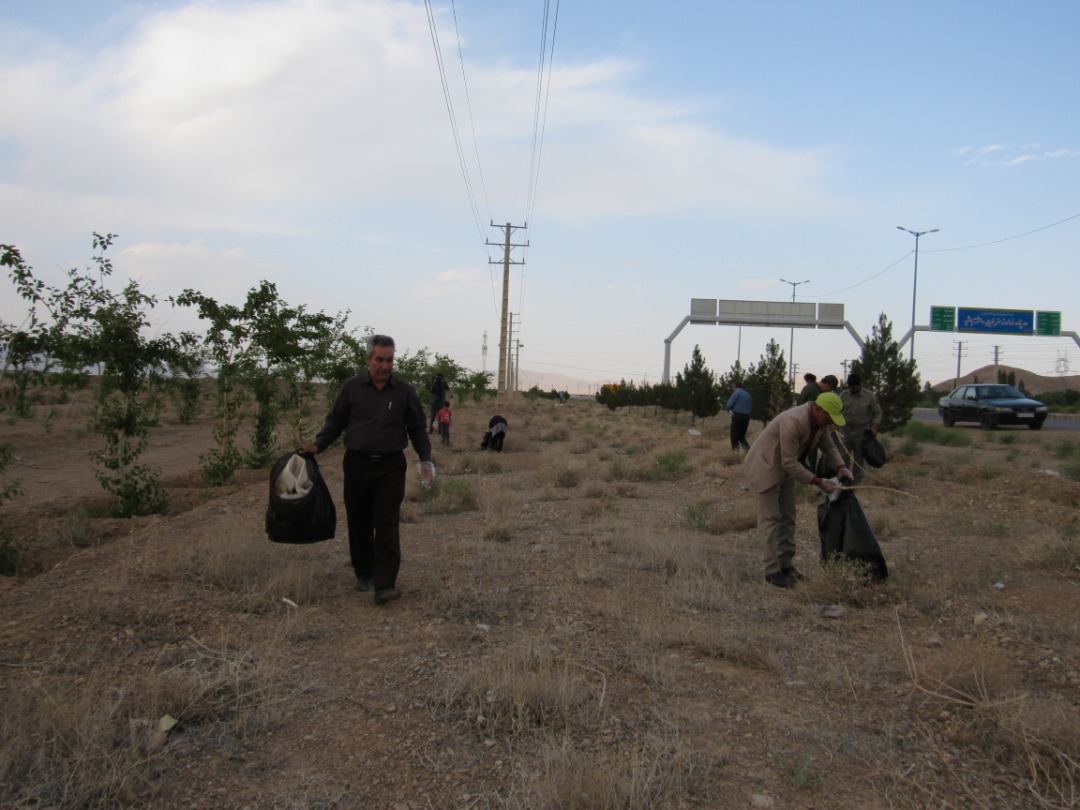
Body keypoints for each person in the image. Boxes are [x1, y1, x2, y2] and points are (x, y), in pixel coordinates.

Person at [300, 335, 434, 605]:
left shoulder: (404, 391)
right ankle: (364, 572)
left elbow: (417, 428)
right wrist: (317, 445)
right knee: (359, 520)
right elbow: (335, 423)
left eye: (390, 360)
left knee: (386, 522)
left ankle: (385, 585)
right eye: (379, 360)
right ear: (368, 360)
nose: (385, 365)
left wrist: (426, 460)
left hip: (391, 466)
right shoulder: (351, 388)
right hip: (357, 464)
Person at [743, 392, 852, 589]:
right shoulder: (794, 421)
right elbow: (789, 462)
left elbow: (830, 447)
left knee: (788, 516)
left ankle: (786, 565)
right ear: (818, 409)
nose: (829, 423)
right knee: (770, 518)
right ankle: (771, 571)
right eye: (828, 418)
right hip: (765, 467)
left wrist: (841, 467)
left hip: (785, 469)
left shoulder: (820, 423)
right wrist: (819, 482)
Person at [839, 373, 883, 483]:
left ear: (859, 385)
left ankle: (856, 479)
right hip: (846, 430)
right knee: (843, 455)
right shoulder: (844, 395)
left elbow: (877, 413)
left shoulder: (869, 396)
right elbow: (837, 410)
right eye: (850, 386)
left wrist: (874, 427)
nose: (852, 389)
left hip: (861, 432)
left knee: (859, 457)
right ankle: (844, 478)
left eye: (854, 386)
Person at [724, 380, 752, 452]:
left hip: (738, 416)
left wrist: (728, 409)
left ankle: (735, 452)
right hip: (746, 417)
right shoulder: (748, 394)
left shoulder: (736, 393)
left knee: (734, 435)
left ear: (734, 386)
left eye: (732, 387)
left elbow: (729, 404)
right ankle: (748, 451)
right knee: (741, 435)